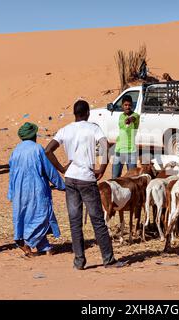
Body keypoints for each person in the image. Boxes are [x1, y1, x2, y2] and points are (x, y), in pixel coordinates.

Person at [45, 100, 126, 270]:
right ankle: (108, 259)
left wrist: (61, 168)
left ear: (75, 113)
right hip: (87, 178)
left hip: (70, 179)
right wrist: (102, 169)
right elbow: (105, 145)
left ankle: (79, 261)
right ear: (88, 112)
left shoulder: (65, 129)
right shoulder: (93, 128)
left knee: (75, 221)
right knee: (97, 220)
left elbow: (47, 150)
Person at [8, 122, 65, 256]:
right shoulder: (38, 149)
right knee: (40, 216)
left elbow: (12, 173)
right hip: (36, 189)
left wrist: (11, 192)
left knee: (26, 216)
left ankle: (44, 246)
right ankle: (24, 242)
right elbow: (50, 171)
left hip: (19, 191)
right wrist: (62, 185)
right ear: (34, 135)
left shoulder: (15, 151)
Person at [112, 95, 140, 179]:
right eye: (125, 105)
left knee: (132, 178)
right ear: (122, 106)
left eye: (129, 105)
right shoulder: (121, 116)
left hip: (131, 151)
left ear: (132, 105)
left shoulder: (136, 116)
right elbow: (123, 124)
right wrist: (127, 121)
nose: (127, 107)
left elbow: (134, 118)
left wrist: (130, 119)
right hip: (119, 150)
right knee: (115, 177)